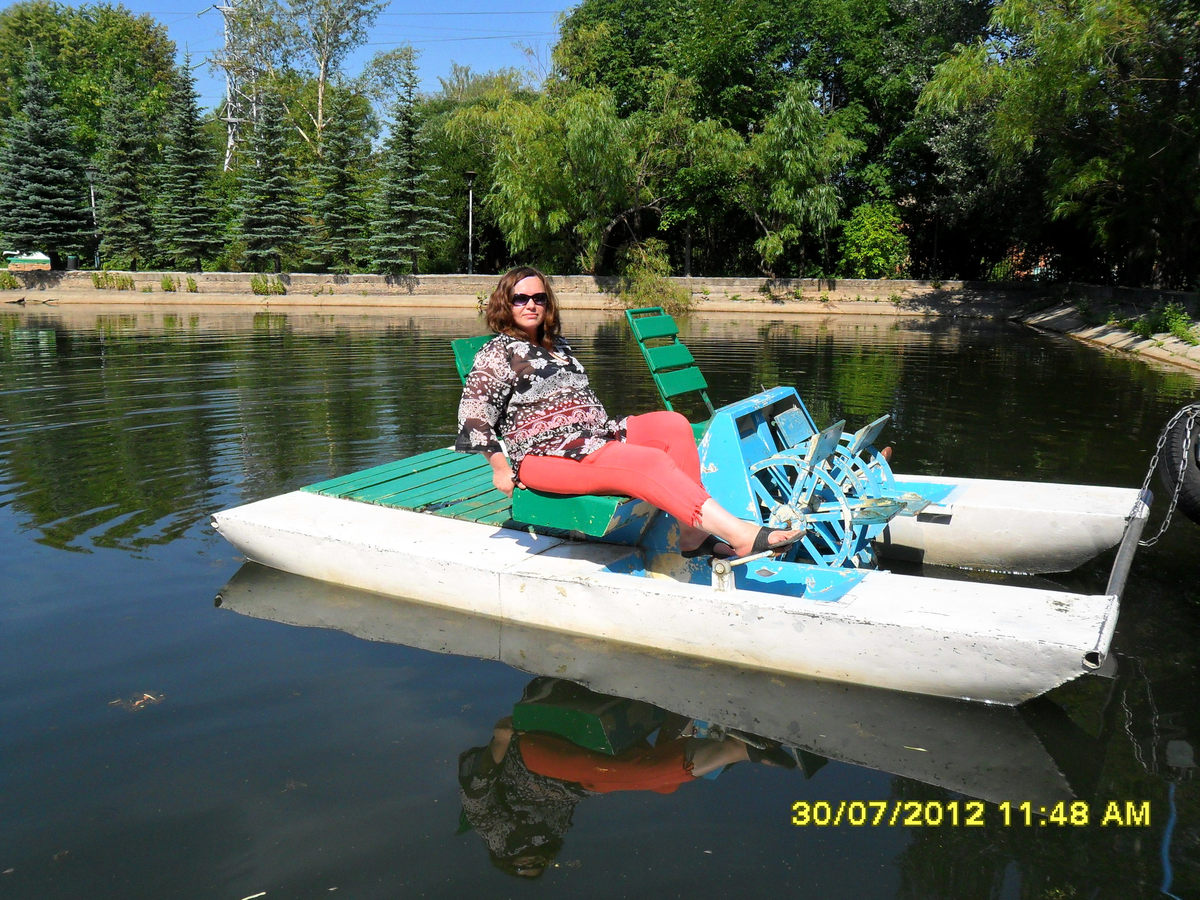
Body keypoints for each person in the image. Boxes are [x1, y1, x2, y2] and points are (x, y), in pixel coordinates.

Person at [455, 266, 803, 559]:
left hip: (594, 437)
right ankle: (740, 534)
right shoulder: (497, 352)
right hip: (546, 456)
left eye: (539, 298)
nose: (531, 304)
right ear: (506, 302)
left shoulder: (557, 345)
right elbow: (472, 415)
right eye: (521, 298)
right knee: (649, 463)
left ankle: (692, 534)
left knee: (672, 425)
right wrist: (500, 468)